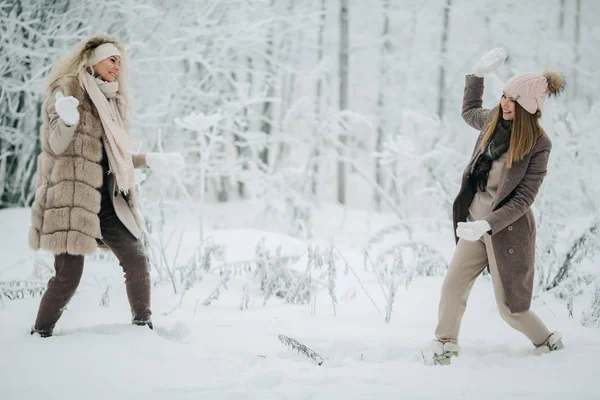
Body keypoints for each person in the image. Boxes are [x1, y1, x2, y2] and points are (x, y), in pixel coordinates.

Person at [28, 33, 184, 337]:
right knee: (68, 276)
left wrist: (150, 159)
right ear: (94, 59)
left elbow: (117, 156)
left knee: (137, 260)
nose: (117, 67)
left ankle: (143, 328)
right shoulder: (67, 90)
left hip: (109, 201)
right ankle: (40, 333)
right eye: (112, 59)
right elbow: (55, 145)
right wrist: (68, 119)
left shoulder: (112, 102)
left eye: (120, 62)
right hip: (72, 201)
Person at [428, 48, 566, 365]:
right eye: (503, 96)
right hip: (474, 220)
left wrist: (488, 225)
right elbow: (468, 111)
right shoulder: (493, 121)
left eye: (511, 100)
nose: (504, 103)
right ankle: (445, 344)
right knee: (453, 286)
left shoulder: (538, 145)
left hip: (505, 229)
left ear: (528, 106)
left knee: (511, 310)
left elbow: (523, 198)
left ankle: (548, 342)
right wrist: (476, 76)